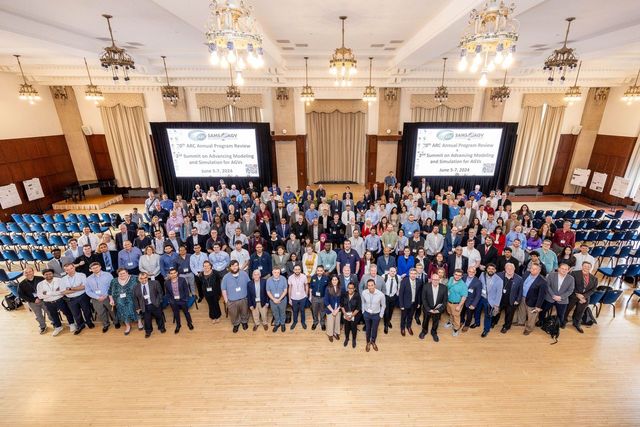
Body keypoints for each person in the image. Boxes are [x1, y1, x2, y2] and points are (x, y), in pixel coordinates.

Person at [60, 263, 95, 335]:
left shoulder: (82, 275)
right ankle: (80, 325)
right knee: (76, 314)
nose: (70, 271)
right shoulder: (62, 279)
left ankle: (89, 322)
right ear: (65, 271)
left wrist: (70, 288)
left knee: (87, 311)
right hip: (71, 299)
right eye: (67, 270)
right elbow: (63, 291)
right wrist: (78, 288)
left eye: (71, 268)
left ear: (74, 268)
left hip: (83, 296)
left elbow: (84, 287)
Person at [541, 263, 575, 328]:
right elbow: (547, 286)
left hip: (562, 300)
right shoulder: (551, 275)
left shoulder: (571, 279)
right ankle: (541, 321)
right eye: (562, 268)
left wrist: (561, 297)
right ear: (558, 269)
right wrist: (553, 295)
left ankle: (558, 325)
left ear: (568, 270)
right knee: (543, 311)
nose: (564, 270)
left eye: (566, 269)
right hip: (550, 297)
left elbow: (570, 290)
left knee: (561, 314)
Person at [566, 261, 597, 333]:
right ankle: (563, 321)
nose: (586, 268)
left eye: (588, 267)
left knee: (580, 312)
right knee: (567, 309)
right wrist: (577, 294)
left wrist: (584, 296)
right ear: (582, 266)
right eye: (585, 266)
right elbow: (570, 285)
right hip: (573, 295)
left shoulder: (594, 278)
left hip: (584, 298)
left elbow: (593, 289)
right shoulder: (574, 273)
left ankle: (576, 323)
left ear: (590, 268)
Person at [85, 262, 116, 333]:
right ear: (90, 270)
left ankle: (116, 322)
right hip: (96, 299)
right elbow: (88, 291)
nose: (95, 269)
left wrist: (106, 295)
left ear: (100, 267)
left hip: (108, 296)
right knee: (101, 313)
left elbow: (112, 285)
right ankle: (106, 324)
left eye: (97, 267)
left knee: (112, 311)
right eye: (93, 268)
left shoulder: (108, 275)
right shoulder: (88, 279)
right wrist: (97, 297)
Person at [133, 272, 166, 338]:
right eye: (141, 278)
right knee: (147, 320)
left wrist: (158, 302)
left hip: (155, 304)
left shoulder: (155, 283)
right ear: (139, 279)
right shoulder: (135, 287)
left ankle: (161, 328)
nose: (144, 279)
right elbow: (135, 299)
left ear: (147, 277)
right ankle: (148, 331)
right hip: (144, 306)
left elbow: (160, 293)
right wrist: (137, 308)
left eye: (145, 277)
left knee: (159, 317)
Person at [221, 260, 250, 333]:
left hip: (244, 298)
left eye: (236, 265)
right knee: (234, 314)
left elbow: (249, 285)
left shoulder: (244, 274)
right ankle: (236, 324)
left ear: (238, 266)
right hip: (232, 300)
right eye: (233, 266)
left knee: (245, 312)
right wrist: (226, 300)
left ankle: (244, 322)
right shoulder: (226, 277)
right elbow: (223, 289)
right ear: (230, 267)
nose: (235, 267)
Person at [108, 268, 140, 335]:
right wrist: (111, 299)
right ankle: (128, 326)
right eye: (120, 274)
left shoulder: (135, 278)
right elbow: (110, 291)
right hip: (119, 301)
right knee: (122, 311)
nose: (122, 275)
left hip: (133, 299)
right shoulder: (114, 281)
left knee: (135, 308)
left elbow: (142, 286)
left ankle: (139, 322)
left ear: (127, 273)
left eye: (124, 273)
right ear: (118, 274)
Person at [419, 273, 448, 342]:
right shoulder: (426, 286)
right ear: (431, 279)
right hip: (427, 309)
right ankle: (424, 331)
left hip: (437, 310)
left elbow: (445, 301)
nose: (435, 281)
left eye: (437, 280)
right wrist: (428, 309)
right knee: (425, 321)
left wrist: (439, 310)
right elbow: (424, 299)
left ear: (439, 280)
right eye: (434, 279)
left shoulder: (444, 288)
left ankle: (434, 332)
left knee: (436, 322)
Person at [17, 266, 47, 334]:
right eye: (26, 272)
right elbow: (21, 295)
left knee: (49, 312)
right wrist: (33, 300)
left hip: (44, 299)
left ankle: (55, 323)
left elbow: (46, 288)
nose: (28, 273)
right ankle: (43, 326)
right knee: (38, 315)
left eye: (30, 271)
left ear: (33, 272)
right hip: (32, 302)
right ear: (24, 274)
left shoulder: (41, 279)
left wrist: (41, 297)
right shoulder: (21, 284)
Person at [521, 263, 548, 336]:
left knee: (532, 316)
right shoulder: (526, 274)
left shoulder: (543, 281)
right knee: (522, 311)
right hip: (522, 297)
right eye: (531, 268)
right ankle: (521, 322)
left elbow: (541, 295)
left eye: (535, 269)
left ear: (539, 271)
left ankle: (529, 328)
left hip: (533, 301)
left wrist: (538, 306)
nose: (532, 270)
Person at [477, 264, 502, 338]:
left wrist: (496, 305)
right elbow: (479, 284)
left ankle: (486, 330)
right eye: (489, 268)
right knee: (477, 311)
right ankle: (477, 323)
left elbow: (499, 293)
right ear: (486, 269)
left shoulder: (499, 280)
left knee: (488, 315)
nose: (490, 270)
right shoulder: (482, 274)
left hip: (490, 300)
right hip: (481, 297)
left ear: (495, 270)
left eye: (492, 269)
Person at [496, 263, 523, 334]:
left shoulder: (519, 279)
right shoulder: (498, 275)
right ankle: (494, 322)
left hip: (511, 300)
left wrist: (517, 300)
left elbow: (520, 291)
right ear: (505, 269)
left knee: (509, 314)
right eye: (508, 268)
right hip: (499, 299)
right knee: (496, 312)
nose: (510, 270)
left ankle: (506, 326)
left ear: (514, 269)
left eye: (511, 268)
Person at [361, 279, 386, 352]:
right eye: (368, 285)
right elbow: (363, 303)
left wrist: (380, 315)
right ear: (367, 286)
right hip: (367, 314)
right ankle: (368, 342)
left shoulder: (381, 294)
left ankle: (373, 342)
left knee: (374, 329)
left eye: (372, 285)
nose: (370, 287)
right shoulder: (364, 293)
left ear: (375, 285)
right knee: (368, 329)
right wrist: (363, 311)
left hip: (376, 315)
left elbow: (383, 306)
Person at [445, 268, 467, 336]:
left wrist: (459, 306)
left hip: (456, 304)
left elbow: (464, 297)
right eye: (456, 274)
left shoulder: (463, 285)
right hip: (448, 302)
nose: (457, 276)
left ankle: (456, 329)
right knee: (450, 313)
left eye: (459, 275)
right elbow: (447, 286)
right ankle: (451, 322)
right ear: (453, 274)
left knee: (456, 316)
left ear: (461, 276)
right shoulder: (451, 278)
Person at [398, 268, 420, 336]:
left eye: (414, 274)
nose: (413, 275)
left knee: (410, 316)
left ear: (416, 274)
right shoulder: (404, 281)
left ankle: (408, 326)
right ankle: (402, 328)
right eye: (411, 273)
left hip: (414, 303)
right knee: (403, 317)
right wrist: (401, 305)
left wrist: (418, 303)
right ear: (409, 274)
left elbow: (418, 293)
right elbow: (401, 294)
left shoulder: (419, 281)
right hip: (405, 304)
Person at [267, 267, 288, 332]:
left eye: (278, 272)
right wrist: (274, 299)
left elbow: (285, 290)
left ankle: (282, 323)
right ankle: (277, 323)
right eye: (275, 272)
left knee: (282, 312)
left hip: (282, 299)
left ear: (280, 272)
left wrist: (279, 299)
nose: (276, 274)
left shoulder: (284, 279)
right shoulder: (268, 280)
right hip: (272, 300)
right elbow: (268, 291)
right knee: (275, 312)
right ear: (272, 272)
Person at [461, 266, 482, 332]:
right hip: (461, 299)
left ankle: (467, 325)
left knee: (469, 315)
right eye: (470, 271)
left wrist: (474, 304)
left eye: (473, 272)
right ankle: (461, 321)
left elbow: (478, 295)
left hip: (471, 301)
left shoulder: (478, 282)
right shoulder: (463, 276)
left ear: (475, 272)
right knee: (461, 312)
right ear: (467, 271)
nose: (471, 273)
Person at [288, 264, 309, 329]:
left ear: (300, 270)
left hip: (302, 297)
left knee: (302, 310)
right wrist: (289, 299)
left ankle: (303, 322)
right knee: (295, 310)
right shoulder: (290, 277)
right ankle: (295, 322)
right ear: (293, 270)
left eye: (299, 269)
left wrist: (306, 295)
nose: (297, 271)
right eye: (296, 269)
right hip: (294, 298)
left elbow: (306, 285)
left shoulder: (304, 276)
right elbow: (290, 288)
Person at [309, 266, 328, 330]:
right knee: (314, 310)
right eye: (318, 270)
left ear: (323, 271)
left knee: (323, 311)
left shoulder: (326, 278)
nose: (319, 272)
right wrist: (310, 296)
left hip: (323, 298)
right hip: (314, 297)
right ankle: (315, 322)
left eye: (321, 270)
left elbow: (328, 289)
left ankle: (322, 323)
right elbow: (311, 287)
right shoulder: (313, 277)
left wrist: (326, 298)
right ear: (316, 271)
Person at [381, 266, 400, 334]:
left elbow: (399, 286)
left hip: (393, 296)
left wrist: (397, 294)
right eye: (391, 271)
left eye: (394, 271)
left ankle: (388, 321)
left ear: (396, 272)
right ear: (389, 271)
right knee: (386, 311)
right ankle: (386, 325)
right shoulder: (384, 276)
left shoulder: (398, 277)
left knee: (391, 310)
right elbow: (381, 285)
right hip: (386, 296)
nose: (393, 272)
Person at [324, 275, 342, 342]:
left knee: (337, 322)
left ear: (338, 280)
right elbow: (326, 300)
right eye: (333, 280)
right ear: (331, 281)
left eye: (336, 280)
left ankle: (335, 333)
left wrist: (337, 310)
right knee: (330, 322)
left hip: (338, 309)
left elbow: (342, 300)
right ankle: (330, 334)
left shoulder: (341, 288)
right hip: (330, 309)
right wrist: (332, 310)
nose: (334, 281)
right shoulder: (327, 288)